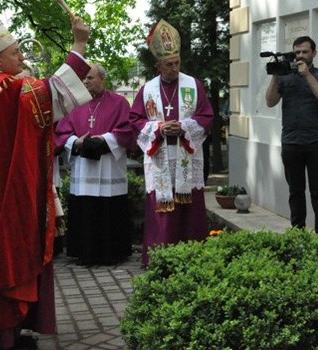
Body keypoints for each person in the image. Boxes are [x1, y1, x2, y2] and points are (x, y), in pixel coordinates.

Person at [0, 11, 92, 349]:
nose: (22, 57)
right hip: (5, 197)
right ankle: (3, 334)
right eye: (16, 52)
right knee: (6, 257)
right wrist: (78, 45)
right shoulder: (6, 86)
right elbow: (53, 96)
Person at [129, 19, 213, 267]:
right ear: (158, 66)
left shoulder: (193, 85)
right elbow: (134, 119)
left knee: (189, 211)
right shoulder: (147, 90)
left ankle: (192, 259)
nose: (174, 68)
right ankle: (159, 260)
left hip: (186, 156)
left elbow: (207, 116)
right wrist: (159, 127)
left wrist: (184, 126)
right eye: (168, 64)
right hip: (161, 158)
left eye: (177, 63)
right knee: (162, 210)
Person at [55, 64, 136, 266]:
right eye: (84, 79)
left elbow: (127, 130)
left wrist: (105, 139)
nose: (86, 81)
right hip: (83, 167)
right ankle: (85, 253)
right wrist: (77, 142)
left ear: (102, 79)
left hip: (109, 166)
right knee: (86, 210)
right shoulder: (74, 104)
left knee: (109, 210)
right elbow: (61, 133)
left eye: (90, 78)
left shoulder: (119, 102)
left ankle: (112, 253)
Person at [265, 36, 318, 233]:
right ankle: (297, 231)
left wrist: (307, 76)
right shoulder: (286, 77)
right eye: (297, 52)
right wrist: (276, 75)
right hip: (291, 141)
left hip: (317, 140)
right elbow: (270, 102)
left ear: (314, 53)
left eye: (305, 52)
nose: (300, 56)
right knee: (295, 191)